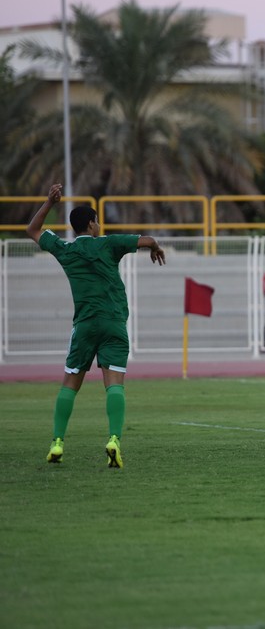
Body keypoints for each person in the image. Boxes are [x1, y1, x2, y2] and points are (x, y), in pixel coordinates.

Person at [27, 183, 166, 468]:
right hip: (114, 323)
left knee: (70, 384)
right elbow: (148, 240)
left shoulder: (64, 250)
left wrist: (49, 203)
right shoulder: (109, 244)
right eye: (97, 221)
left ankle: (57, 443)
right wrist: (155, 247)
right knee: (114, 385)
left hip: (85, 325)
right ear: (91, 224)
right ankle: (114, 439)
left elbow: (32, 229)